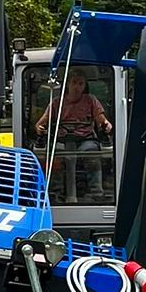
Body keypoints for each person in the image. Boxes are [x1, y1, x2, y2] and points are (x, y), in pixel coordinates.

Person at [36, 68, 113, 203]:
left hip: (86, 139)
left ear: (85, 86)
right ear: (67, 84)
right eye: (74, 82)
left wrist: (106, 124)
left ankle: (96, 193)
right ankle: (55, 194)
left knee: (92, 153)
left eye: (81, 84)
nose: (77, 87)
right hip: (61, 139)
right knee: (55, 155)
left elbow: (102, 120)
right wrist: (40, 129)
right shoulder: (56, 103)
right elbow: (40, 124)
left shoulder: (91, 100)